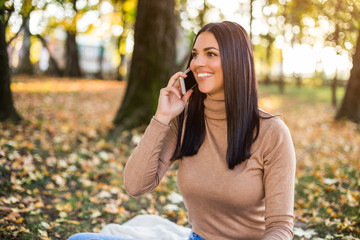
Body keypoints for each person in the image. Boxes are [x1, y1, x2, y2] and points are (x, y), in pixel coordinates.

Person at [69, 21, 296, 240]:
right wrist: (162, 117)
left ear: (236, 61)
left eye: (211, 54)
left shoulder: (272, 132)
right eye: (195, 54)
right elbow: (135, 185)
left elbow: (280, 227)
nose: (197, 63)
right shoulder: (185, 121)